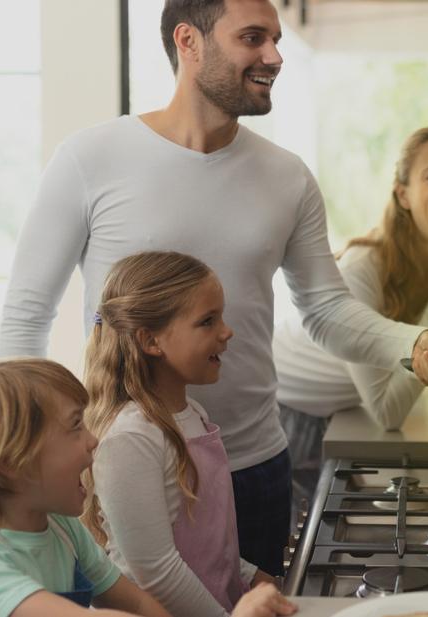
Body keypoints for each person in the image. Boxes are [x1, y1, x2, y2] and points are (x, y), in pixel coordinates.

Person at [0, 0, 428, 576]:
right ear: (188, 41)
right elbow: (26, 316)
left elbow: (324, 309)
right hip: (124, 469)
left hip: (253, 465)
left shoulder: (288, 176)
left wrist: (413, 341)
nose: (273, 56)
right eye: (253, 38)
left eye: (275, 39)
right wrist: (34, 446)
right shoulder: (90, 158)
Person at [272, 126, 428, 521]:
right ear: (402, 194)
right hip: (292, 422)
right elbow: (388, 413)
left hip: (351, 415)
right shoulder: (362, 269)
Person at [82, 251, 296, 617]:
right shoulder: (131, 437)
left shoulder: (192, 413)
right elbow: (156, 570)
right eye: (208, 322)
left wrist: (251, 574)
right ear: (151, 341)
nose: (227, 332)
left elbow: (207, 541)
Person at [0, 358, 173, 617]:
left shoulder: (63, 528)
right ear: (11, 462)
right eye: (75, 425)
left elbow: (136, 604)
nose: (93, 440)